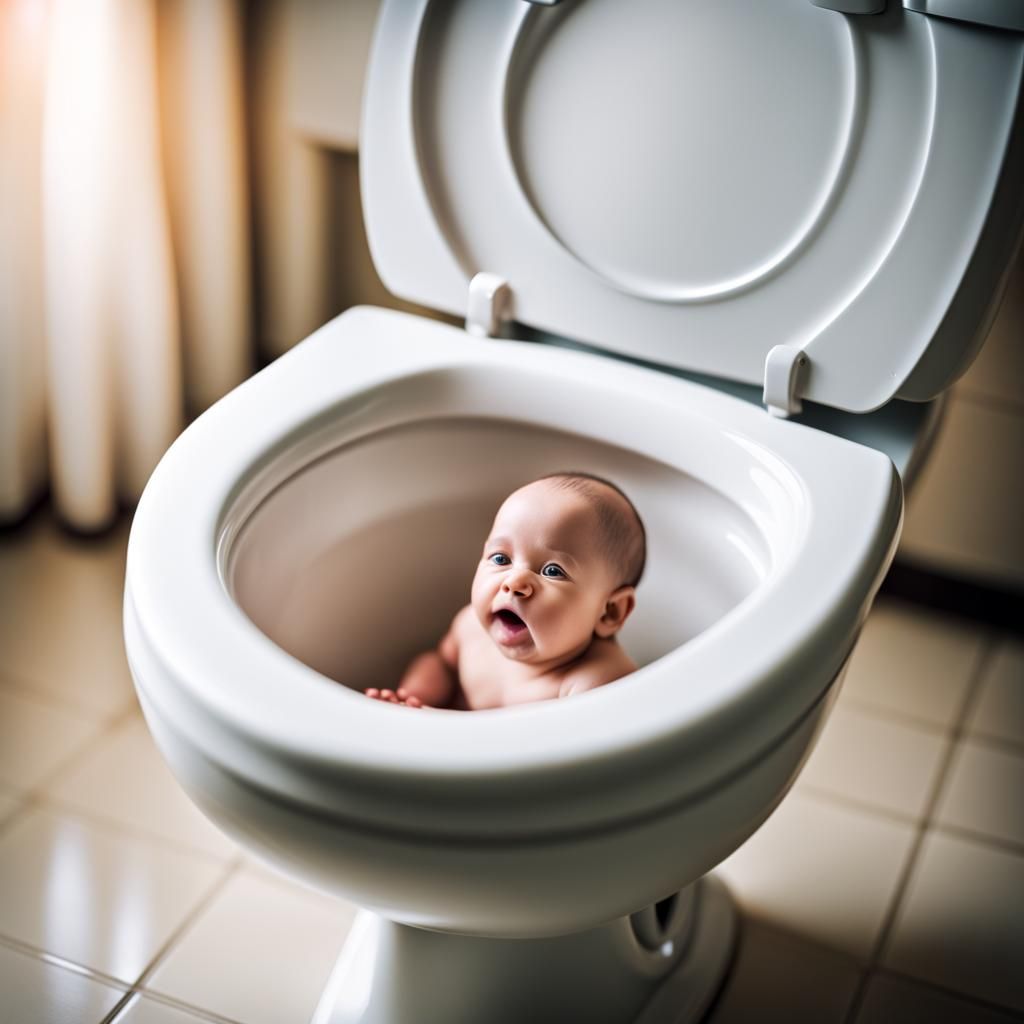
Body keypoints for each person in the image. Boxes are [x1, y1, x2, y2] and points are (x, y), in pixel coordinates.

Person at [365, 472, 645, 710]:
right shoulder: (470, 628)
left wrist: (438, 726)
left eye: (552, 571)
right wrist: (414, 697)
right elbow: (441, 663)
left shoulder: (596, 684)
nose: (514, 582)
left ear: (610, 611)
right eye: (501, 559)